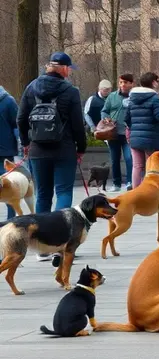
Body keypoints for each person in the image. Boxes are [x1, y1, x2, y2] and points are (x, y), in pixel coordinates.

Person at [17, 52, 87, 264]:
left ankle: (41, 247)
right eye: (68, 68)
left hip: (38, 151)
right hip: (64, 149)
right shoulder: (70, 91)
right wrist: (81, 147)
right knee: (64, 191)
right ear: (62, 68)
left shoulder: (31, 88)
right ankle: (63, 244)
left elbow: (21, 119)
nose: (69, 72)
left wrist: (26, 143)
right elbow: (77, 124)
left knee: (43, 194)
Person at [125, 72, 159, 187]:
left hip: (135, 138)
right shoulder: (154, 98)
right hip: (151, 138)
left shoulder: (132, 97)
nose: (158, 84)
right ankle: (150, 191)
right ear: (153, 82)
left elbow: (126, 118)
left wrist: (134, 129)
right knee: (151, 166)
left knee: (137, 166)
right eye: (157, 81)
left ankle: (135, 193)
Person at [101, 74, 134, 192]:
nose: (123, 85)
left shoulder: (134, 97)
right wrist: (106, 118)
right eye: (121, 82)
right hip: (113, 133)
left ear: (131, 84)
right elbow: (104, 111)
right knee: (114, 159)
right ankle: (116, 184)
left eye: (125, 82)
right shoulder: (112, 96)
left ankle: (130, 182)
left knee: (129, 158)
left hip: (128, 133)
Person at [0, 83, 19, 219]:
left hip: (6, 151)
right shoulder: (9, 101)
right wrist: (22, 143)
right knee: (9, 186)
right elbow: (17, 124)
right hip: (6, 150)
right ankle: (11, 219)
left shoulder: (9, 101)